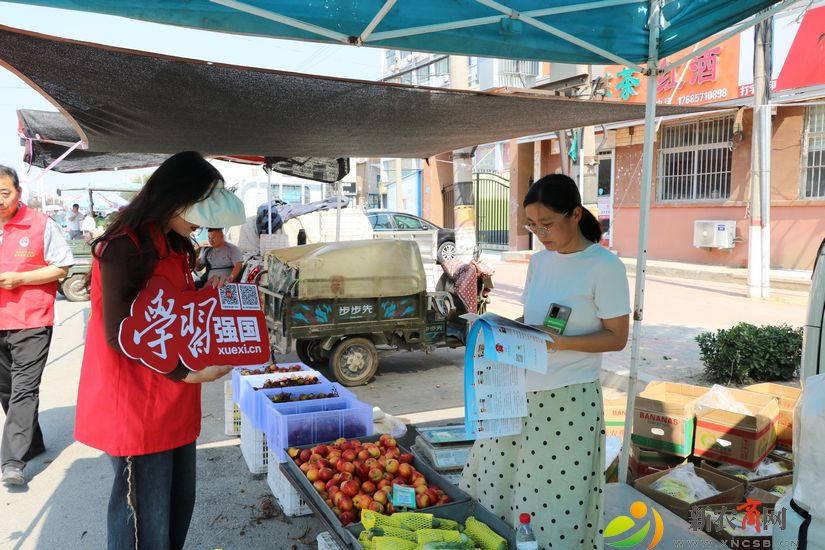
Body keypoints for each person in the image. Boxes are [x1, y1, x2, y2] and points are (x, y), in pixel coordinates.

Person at [74, 151, 246, 550]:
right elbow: (120, 334)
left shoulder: (177, 246)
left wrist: (207, 296)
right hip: (138, 405)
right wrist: (186, 374)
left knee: (176, 507)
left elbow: (173, 311)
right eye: (198, 212)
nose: (202, 224)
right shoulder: (122, 248)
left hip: (174, 400)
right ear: (173, 197)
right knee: (144, 521)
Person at [459, 174, 630, 550]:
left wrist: (562, 342)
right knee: (496, 484)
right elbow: (532, 318)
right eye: (531, 225)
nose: (540, 233)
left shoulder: (604, 266)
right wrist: (500, 331)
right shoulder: (539, 262)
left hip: (568, 401)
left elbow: (617, 338)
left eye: (547, 224)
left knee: (551, 502)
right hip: (517, 391)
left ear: (575, 215)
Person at [0, 165, 74, 486]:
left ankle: (13, 460)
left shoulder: (40, 224)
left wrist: (20, 278)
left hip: (31, 320)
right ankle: (33, 441)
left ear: (19, 192)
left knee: (24, 388)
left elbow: (62, 267)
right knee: (6, 388)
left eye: (5, 193)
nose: (0, 200)